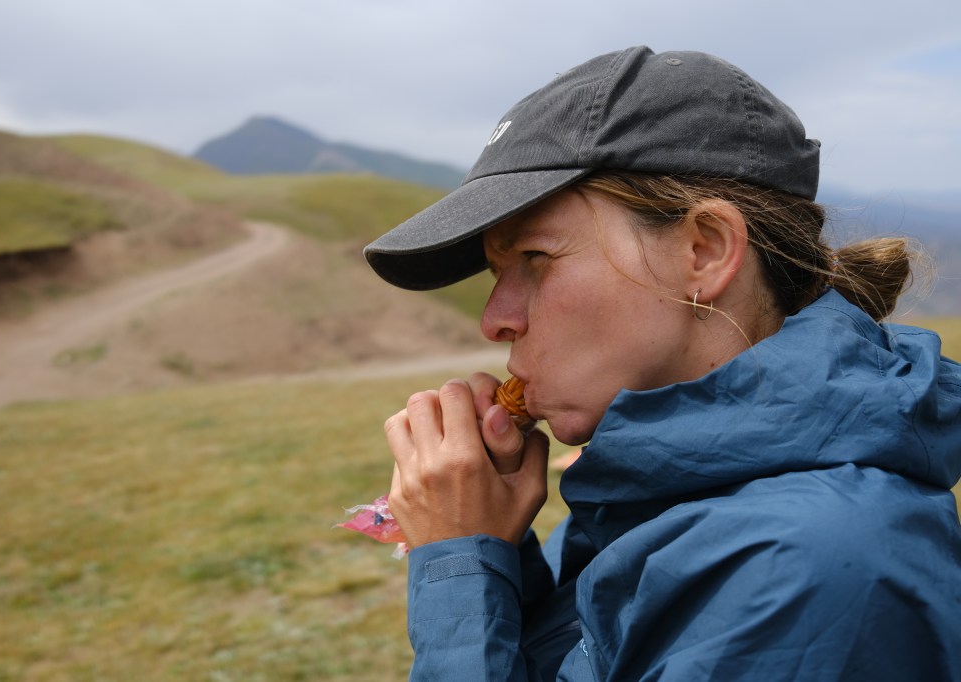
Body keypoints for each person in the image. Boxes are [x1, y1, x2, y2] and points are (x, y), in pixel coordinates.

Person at [363, 46, 961, 681]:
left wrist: (458, 565)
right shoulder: (651, 494)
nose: (494, 320)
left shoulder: (804, 571)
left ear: (705, 251)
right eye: (495, 272)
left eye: (536, 257)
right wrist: (496, 550)